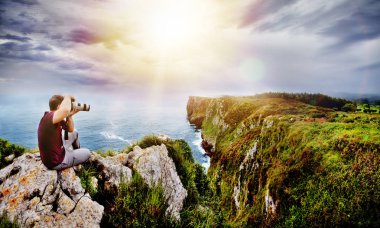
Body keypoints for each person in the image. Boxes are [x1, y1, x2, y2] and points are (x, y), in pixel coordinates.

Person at [38, 95, 91, 170]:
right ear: (59, 106)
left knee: (74, 132)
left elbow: (70, 129)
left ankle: (75, 152)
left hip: (58, 151)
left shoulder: (53, 118)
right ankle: (74, 156)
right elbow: (65, 110)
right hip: (56, 161)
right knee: (87, 152)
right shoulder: (49, 117)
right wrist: (68, 96)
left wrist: (69, 116)